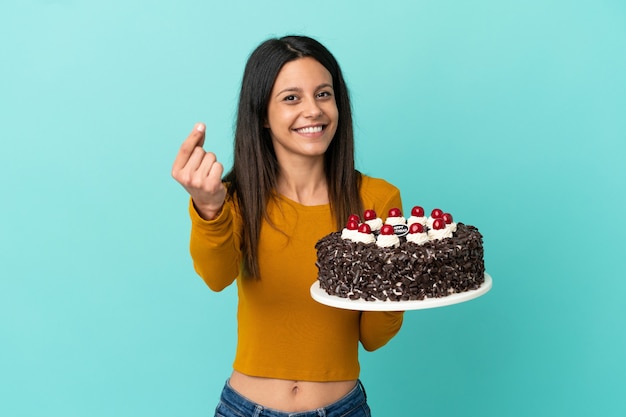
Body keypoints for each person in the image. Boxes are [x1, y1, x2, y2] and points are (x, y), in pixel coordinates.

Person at [172, 35, 404, 417]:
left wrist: (395, 282)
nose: (313, 110)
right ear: (262, 114)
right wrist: (209, 208)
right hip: (246, 409)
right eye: (291, 98)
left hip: (342, 409)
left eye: (324, 94)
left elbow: (374, 338)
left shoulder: (377, 202)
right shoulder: (234, 198)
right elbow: (216, 277)